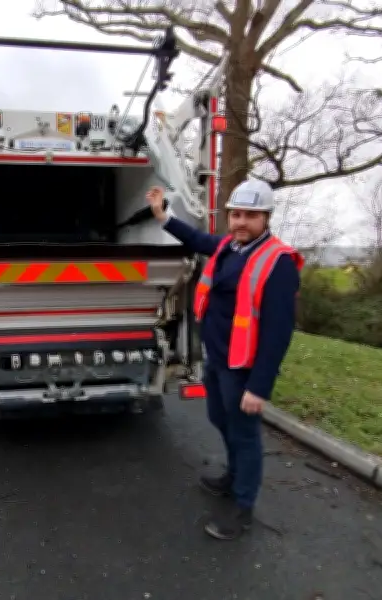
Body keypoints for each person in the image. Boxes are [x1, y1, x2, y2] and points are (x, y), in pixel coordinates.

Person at [146, 178, 304, 541]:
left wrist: (259, 386)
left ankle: (243, 508)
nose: (240, 222)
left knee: (245, 434)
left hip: (244, 368)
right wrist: (163, 215)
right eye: (235, 214)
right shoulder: (229, 247)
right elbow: (198, 240)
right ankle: (233, 476)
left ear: (266, 218)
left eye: (250, 215)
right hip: (218, 359)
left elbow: (279, 332)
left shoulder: (277, 264)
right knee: (219, 417)